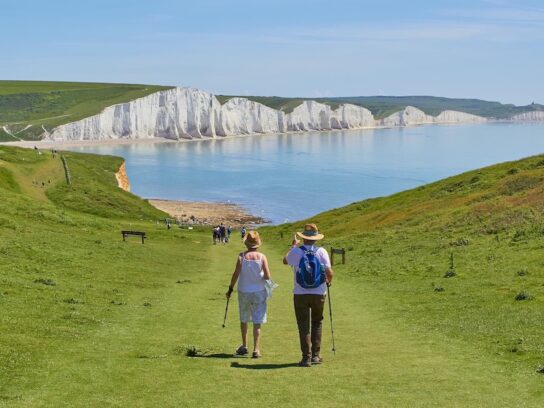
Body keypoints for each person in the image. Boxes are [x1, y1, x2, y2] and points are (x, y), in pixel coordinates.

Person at [283, 223, 333, 367]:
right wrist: (328, 282)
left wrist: (293, 246)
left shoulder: (296, 252)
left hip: (300, 293)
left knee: (303, 325)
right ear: (316, 238)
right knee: (317, 323)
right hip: (319, 293)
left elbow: (285, 261)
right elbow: (329, 272)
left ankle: (306, 358)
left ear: (303, 237)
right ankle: (316, 356)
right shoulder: (322, 251)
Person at [226, 231, 271, 358]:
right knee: (257, 321)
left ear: (246, 244)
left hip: (244, 291)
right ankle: (256, 349)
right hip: (259, 291)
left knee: (244, 319)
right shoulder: (262, 257)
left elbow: (235, 274)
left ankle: (245, 346)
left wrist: (230, 289)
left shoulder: (241, 256)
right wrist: (260, 276)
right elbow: (267, 276)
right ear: (258, 244)